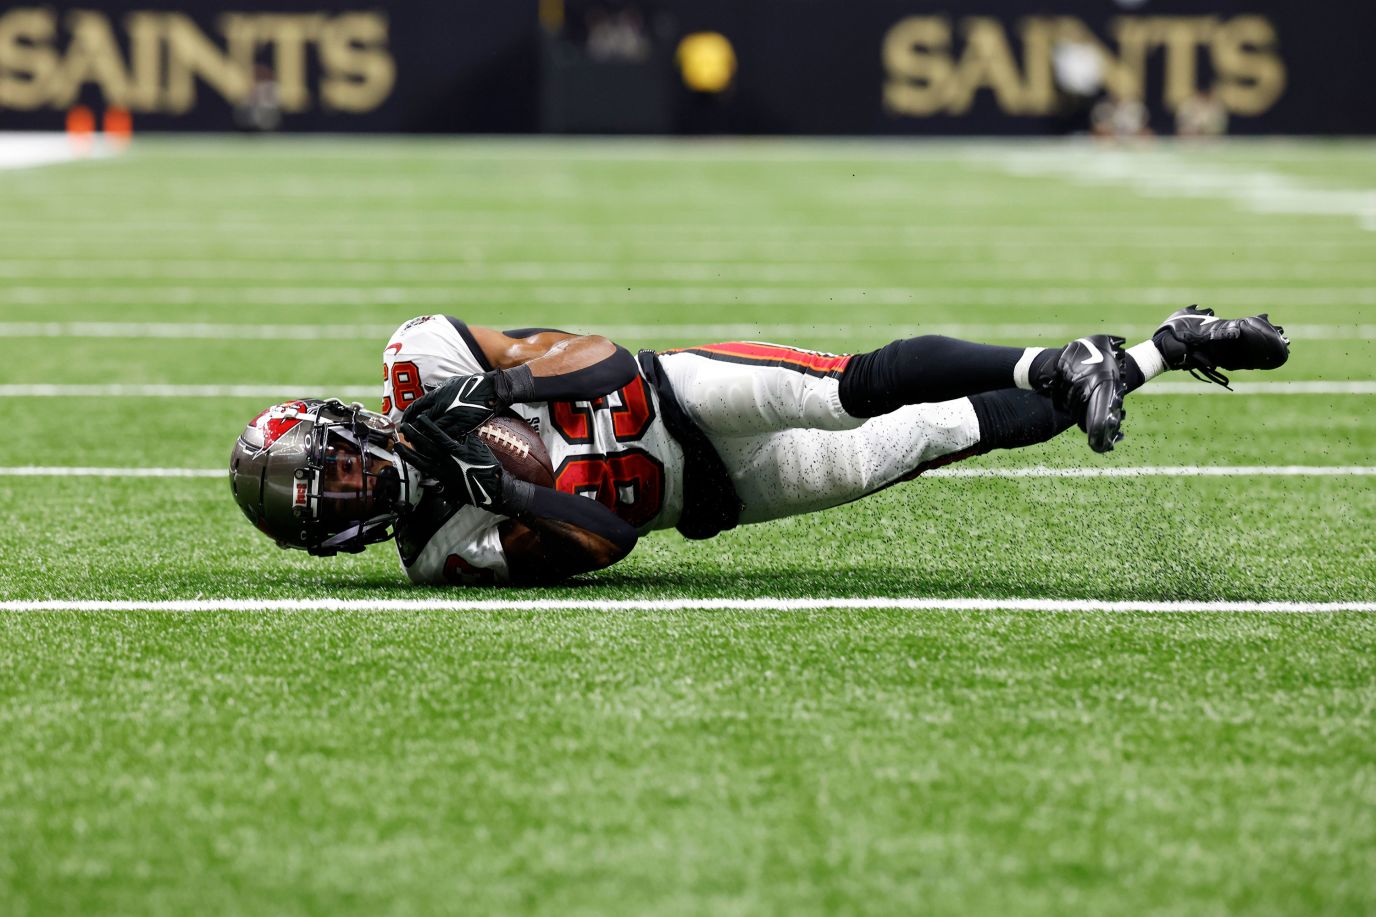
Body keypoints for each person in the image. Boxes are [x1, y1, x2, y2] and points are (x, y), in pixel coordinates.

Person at [229, 309, 1289, 586]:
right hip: (708, 497)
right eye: (332, 503)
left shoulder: (423, 361)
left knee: (845, 387)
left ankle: (1048, 360)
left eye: (340, 466)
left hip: (669, 387)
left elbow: (595, 360)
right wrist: (511, 481)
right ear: (334, 536)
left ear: (347, 421)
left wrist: (492, 400)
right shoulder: (434, 554)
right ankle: (1153, 347)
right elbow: (606, 535)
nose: (355, 487)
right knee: (915, 439)